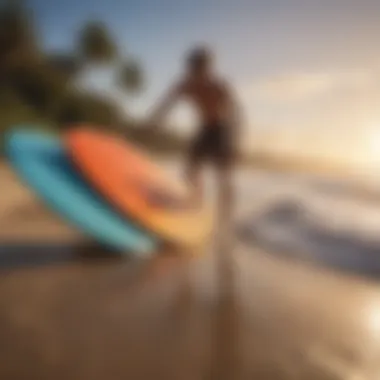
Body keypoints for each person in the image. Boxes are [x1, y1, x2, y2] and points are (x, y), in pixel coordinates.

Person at [145, 45, 242, 223]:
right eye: (193, 69)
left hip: (222, 130)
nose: (196, 74)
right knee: (190, 169)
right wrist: (152, 123)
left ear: (208, 68)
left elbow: (236, 114)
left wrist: (235, 142)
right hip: (205, 129)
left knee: (223, 175)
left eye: (201, 69)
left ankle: (227, 216)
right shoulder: (185, 85)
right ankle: (196, 202)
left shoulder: (219, 86)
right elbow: (166, 104)